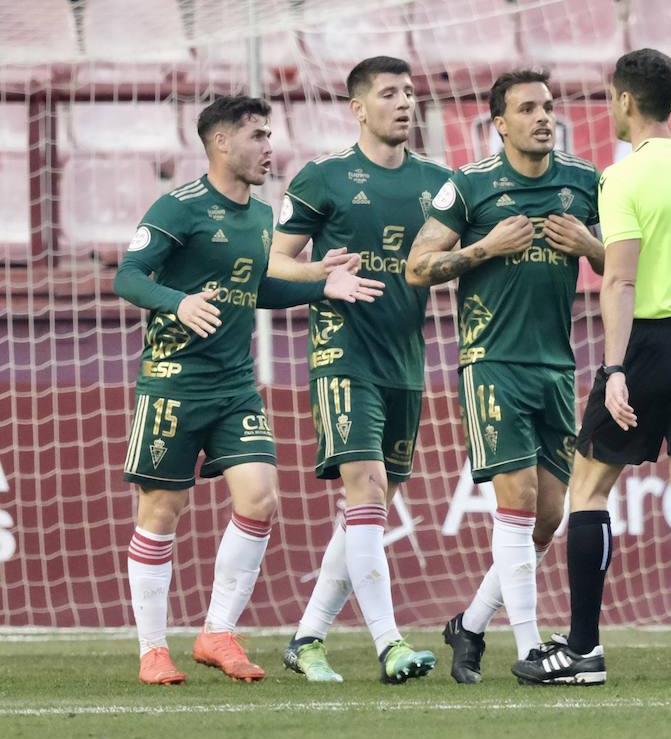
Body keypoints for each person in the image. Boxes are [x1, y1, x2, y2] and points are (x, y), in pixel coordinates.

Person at [115, 96, 382, 686]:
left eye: (271, 135)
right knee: (163, 508)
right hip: (172, 384)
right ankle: (153, 650)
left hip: (236, 387)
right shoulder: (178, 208)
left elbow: (255, 289)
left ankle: (217, 633)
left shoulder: (264, 219)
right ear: (221, 144)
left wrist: (322, 288)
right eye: (258, 136)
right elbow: (128, 276)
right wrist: (177, 302)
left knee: (259, 499)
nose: (270, 147)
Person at [511, 49, 671, 689]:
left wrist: (615, 369)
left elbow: (617, 279)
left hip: (649, 344)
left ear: (623, 100)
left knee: (589, 488)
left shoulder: (623, 178)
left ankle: (585, 651)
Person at [406, 70, 603, 683]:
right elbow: (417, 267)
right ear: (500, 124)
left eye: (548, 106)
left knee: (548, 517)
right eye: (528, 108)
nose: (544, 117)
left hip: (556, 367)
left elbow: (629, 261)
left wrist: (591, 248)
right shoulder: (468, 186)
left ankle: (469, 626)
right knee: (516, 503)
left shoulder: (586, 183)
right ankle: (529, 649)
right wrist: (485, 248)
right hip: (491, 362)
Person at [275, 58, 450, 684]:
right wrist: (326, 276)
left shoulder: (440, 181)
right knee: (368, 492)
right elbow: (273, 261)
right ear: (358, 107)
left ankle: (307, 638)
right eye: (389, 94)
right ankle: (390, 644)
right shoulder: (325, 176)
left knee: (367, 513)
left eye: (410, 91)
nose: (404, 102)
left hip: (407, 362)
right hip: (342, 356)